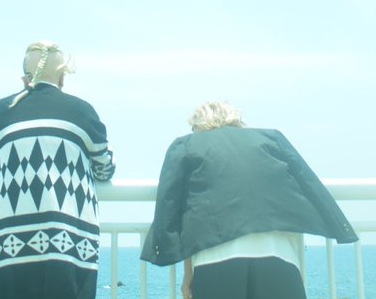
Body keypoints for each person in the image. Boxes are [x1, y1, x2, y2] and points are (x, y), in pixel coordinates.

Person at [141, 101, 357, 299]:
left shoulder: (188, 145)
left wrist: (184, 269)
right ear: (236, 120)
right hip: (280, 257)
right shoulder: (271, 139)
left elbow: (174, 206)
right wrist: (341, 228)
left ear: (197, 126)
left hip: (215, 259)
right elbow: (308, 185)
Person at [0, 41, 116, 299]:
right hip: (66, 246)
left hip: (1, 248)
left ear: (24, 78)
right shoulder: (83, 112)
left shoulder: (1, 110)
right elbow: (104, 168)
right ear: (62, 77)